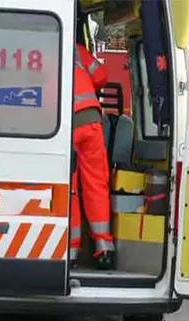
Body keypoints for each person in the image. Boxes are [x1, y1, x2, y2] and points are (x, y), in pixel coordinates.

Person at [69, 20, 116, 270]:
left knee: (71, 190)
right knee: (96, 184)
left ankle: (72, 250)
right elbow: (101, 75)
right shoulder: (77, 49)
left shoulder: (40, 50)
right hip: (92, 122)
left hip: (65, 127)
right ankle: (104, 247)